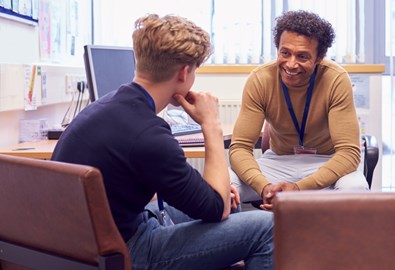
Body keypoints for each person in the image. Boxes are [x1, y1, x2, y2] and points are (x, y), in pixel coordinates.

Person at [52, 14, 273, 270]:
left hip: (82, 244)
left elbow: (206, 198)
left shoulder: (106, 106)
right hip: (124, 251)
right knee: (266, 227)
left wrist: (217, 196)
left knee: (230, 205)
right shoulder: (149, 135)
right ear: (184, 73)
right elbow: (216, 209)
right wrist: (211, 125)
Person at [229, 10, 369, 211]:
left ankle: (335, 243)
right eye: (285, 53)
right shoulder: (260, 79)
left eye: (302, 56)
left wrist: (299, 189)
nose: (291, 64)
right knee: (224, 184)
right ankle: (245, 239)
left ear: (319, 57)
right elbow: (240, 148)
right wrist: (265, 188)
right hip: (279, 163)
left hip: (327, 162)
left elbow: (348, 153)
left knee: (356, 190)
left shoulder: (336, 79)